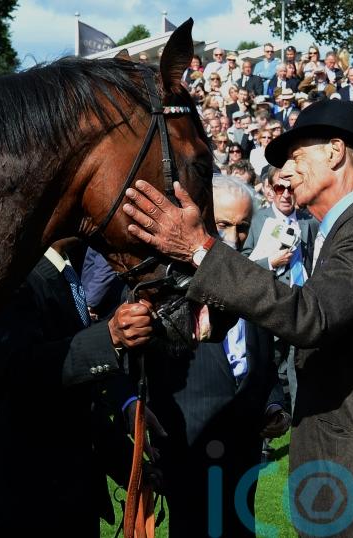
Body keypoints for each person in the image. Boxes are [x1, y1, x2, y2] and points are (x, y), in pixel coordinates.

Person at [122, 99, 353, 537]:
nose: (284, 173)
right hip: (348, 460)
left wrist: (201, 250)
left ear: (335, 152)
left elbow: (309, 317)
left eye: (296, 157)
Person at [0, 239, 163, 536]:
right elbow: (19, 372)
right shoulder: (14, 276)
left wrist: (132, 467)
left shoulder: (65, 272)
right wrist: (109, 336)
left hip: (75, 501)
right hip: (31, 503)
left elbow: (80, 403)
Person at [146, 176, 289, 537]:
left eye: (242, 227)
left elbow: (263, 364)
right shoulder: (163, 290)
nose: (234, 238)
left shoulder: (251, 282)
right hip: (190, 451)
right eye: (223, 225)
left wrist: (273, 405)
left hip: (244, 455)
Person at [242, 165, 318, 413]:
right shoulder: (259, 220)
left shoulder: (308, 221)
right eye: (279, 188)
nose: (286, 194)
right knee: (269, 361)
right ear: (270, 190)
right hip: (270, 302)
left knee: (298, 363)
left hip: (300, 303)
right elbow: (243, 263)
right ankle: (268, 417)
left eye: (290, 188)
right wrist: (270, 262)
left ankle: (298, 419)